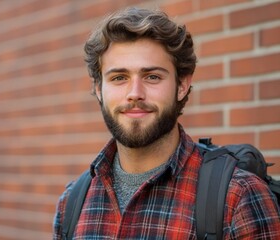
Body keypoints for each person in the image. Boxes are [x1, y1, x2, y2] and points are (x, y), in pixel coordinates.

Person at [53, 7, 280, 239]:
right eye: (119, 78)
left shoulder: (238, 197)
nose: (135, 93)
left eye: (152, 77)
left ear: (181, 85)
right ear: (98, 89)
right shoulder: (72, 203)